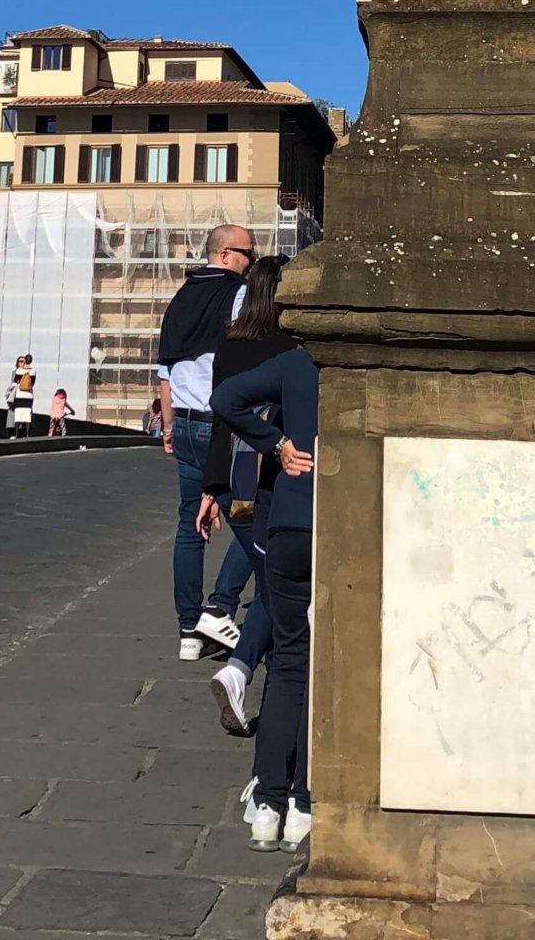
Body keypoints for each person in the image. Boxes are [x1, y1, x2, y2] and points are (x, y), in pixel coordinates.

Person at [212, 332, 317, 851]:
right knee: (326, 667)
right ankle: (304, 800)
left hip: (290, 528)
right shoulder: (359, 364)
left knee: (291, 662)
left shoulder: (295, 364)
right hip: (342, 526)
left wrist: (274, 444)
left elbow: (224, 398)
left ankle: (269, 805)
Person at [199, 255, 296, 737]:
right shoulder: (291, 346)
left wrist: (209, 489)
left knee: (271, 585)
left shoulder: (229, 341)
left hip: (230, 483)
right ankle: (239, 672)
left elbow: (222, 416)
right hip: (271, 481)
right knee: (278, 590)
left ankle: (242, 667)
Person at [156, 223, 254, 661]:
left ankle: (188, 631)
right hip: (221, 424)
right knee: (254, 517)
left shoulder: (179, 300)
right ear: (227, 254)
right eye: (249, 254)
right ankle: (221, 605)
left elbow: (165, 372)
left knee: (187, 526)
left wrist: (169, 427)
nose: (253, 262)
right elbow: (241, 360)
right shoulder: (237, 295)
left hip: (185, 422)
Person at [7, 355, 37, 437]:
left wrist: (9, 391)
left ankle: (16, 434)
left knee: (18, 414)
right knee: (27, 414)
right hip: (29, 395)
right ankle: (27, 434)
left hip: (20, 394)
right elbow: (33, 383)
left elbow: (15, 382)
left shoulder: (19, 370)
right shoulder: (33, 370)